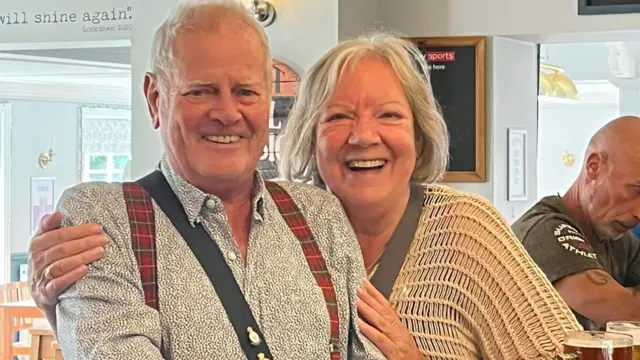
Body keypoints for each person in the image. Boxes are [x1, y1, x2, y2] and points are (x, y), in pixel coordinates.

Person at [30, 31, 583, 359]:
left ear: (419, 133)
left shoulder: (467, 230)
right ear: (308, 136)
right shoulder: (289, 223)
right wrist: (67, 306)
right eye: (338, 117)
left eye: (389, 115)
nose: (363, 136)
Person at [29, 1, 386, 359]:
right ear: (155, 99)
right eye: (200, 91)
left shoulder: (319, 214)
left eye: (246, 92)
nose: (227, 113)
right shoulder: (103, 220)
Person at [512, 115, 640, 331]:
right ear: (594, 167)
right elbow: (624, 312)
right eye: (636, 191)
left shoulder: (619, 239)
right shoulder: (545, 230)